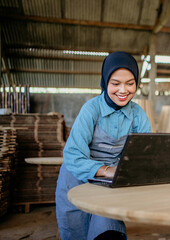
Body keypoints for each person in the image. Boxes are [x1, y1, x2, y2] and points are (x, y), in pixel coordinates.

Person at [55, 51, 152, 240]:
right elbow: (73, 155)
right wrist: (107, 170)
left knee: (108, 230)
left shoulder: (138, 114)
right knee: (77, 232)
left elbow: (144, 154)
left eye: (130, 83)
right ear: (105, 81)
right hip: (76, 180)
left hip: (108, 185)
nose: (123, 90)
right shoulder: (91, 109)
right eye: (115, 83)